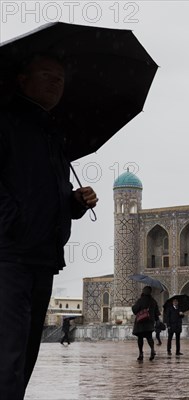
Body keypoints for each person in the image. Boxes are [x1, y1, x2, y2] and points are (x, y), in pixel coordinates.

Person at [0, 54, 98, 399]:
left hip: (44, 256)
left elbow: (46, 196)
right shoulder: (6, 124)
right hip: (9, 255)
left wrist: (75, 203)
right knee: (7, 350)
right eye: (46, 75)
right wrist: (14, 224)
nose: (56, 83)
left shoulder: (53, 134)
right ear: (23, 80)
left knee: (26, 350)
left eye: (60, 78)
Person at [132, 286, 160, 361]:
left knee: (140, 338)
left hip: (141, 322)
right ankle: (152, 350)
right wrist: (156, 321)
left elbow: (135, 310)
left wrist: (134, 306)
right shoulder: (153, 301)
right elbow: (157, 313)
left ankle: (141, 353)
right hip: (149, 322)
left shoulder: (140, 300)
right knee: (149, 337)